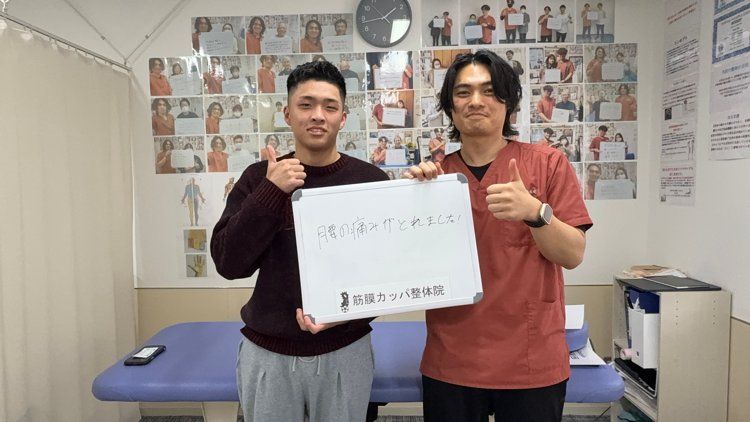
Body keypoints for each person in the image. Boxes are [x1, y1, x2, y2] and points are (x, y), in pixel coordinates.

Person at [404, 49, 591, 422]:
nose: (476, 101)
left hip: (530, 359)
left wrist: (535, 213)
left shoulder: (548, 164)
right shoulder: (434, 179)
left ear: (509, 103)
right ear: (450, 107)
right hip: (452, 359)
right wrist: (411, 200)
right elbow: (407, 266)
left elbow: (572, 254)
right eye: (463, 92)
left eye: (489, 91)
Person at [211, 60, 389, 422]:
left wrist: (345, 315)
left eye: (330, 106)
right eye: (306, 105)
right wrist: (270, 192)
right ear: (288, 114)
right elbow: (229, 264)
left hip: (345, 348)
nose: (317, 115)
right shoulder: (259, 178)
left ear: (343, 118)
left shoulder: (369, 180)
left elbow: (388, 274)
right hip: (268, 352)